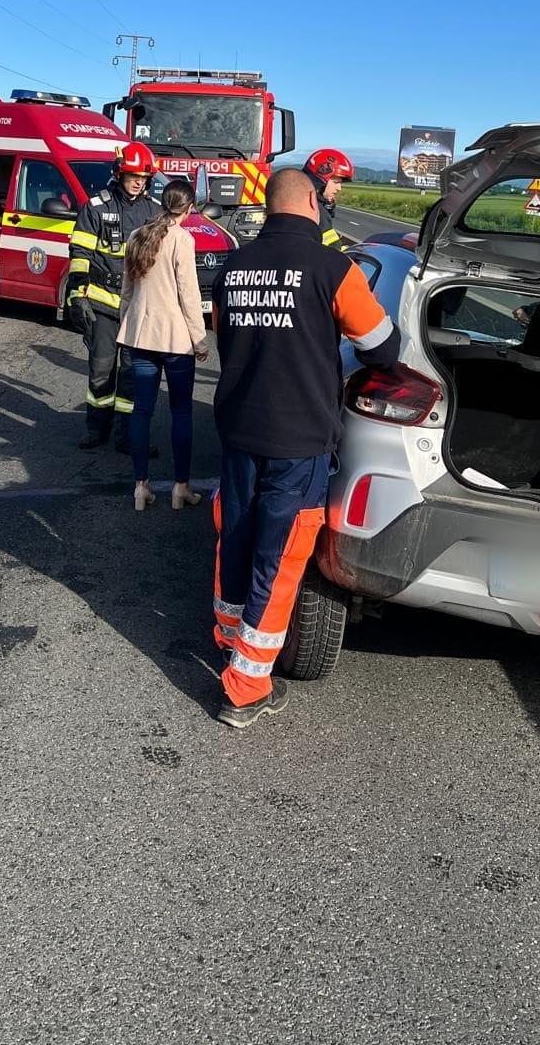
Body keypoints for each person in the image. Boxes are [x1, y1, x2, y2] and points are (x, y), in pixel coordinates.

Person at [210, 166, 400, 729]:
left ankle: (229, 640)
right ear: (313, 204)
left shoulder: (232, 266)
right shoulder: (332, 268)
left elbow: (225, 335)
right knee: (282, 555)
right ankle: (246, 686)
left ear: (269, 205)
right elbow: (382, 348)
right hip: (298, 440)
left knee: (236, 537)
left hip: (239, 430)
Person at [118, 179, 209, 511]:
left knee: (141, 410)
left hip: (140, 335)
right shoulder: (183, 240)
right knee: (181, 411)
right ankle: (180, 487)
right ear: (189, 207)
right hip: (175, 338)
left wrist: (126, 326)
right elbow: (189, 294)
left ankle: (140, 486)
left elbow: (127, 291)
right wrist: (200, 339)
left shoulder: (136, 236)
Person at [67, 141, 161, 450]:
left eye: (144, 178)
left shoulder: (154, 211)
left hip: (137, 307)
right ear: (119, 174)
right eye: (133, 176)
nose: (138, 182)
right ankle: (97, 429)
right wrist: (76, 296)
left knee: (132, 373)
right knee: (101, 370)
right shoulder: (96, 207)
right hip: (102, 303)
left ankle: (127, 436)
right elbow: (80, 253)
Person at [303, 147, 355, 248]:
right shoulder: (317, 212)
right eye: (335, 182)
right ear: (319, 182)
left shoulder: (299, 200)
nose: (339, 188)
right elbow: (334, 250)